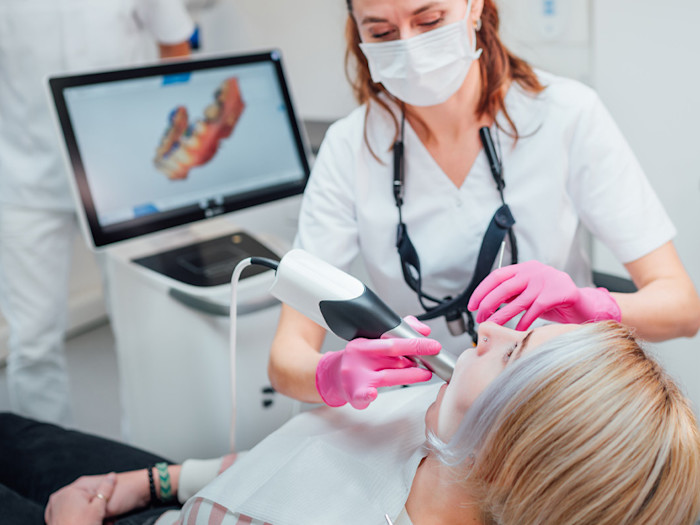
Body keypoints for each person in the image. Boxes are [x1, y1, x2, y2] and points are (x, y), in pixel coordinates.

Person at [267, 0, 700, 408]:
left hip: (557, 399)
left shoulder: (567, 114)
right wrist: (332, 374)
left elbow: (682, 308)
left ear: (475, 6)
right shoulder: (350, 147)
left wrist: (589, 305)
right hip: (422, 406)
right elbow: (286, 357)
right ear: (357, 33)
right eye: (381, 32)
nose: (410, 49)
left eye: (430, 21)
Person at [1, 321, 699, 524]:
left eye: (511, 350)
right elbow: (280, 473)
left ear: (513, 453)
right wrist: (149, 480)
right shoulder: (434, 428)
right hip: (172, 498)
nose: (486, 328)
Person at [0, 0, 195, 425]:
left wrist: (168, 137)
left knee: (146, 329)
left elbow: (175, 42)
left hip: (126, 175)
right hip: (25, 177)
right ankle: (49, 469)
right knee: (31, 342)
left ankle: (150, 457)